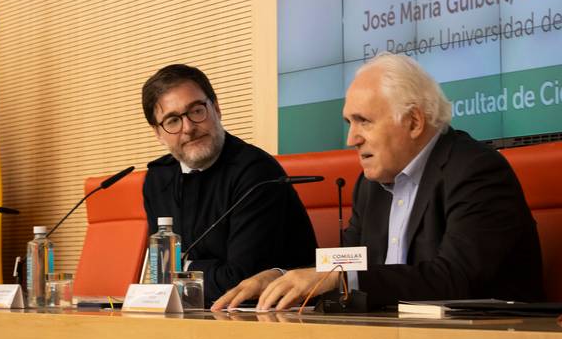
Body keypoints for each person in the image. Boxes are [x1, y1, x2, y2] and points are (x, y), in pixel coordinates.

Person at [213, 53, 544, 311]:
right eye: (349, 122)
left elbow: (457, 279)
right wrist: (283, 276)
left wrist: (340, 278)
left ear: (413, 121)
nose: (351, 138)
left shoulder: (475, 171)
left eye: (363, 122)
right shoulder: (370, 185)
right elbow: (344, 265)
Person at [141, 64, 317, 305]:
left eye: (196, 110)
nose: (189, 128)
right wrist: (201, 270)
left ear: (216, 108)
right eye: (172, 121)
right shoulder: (158, 178)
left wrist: (182, 269)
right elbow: (159, 275)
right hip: (189, 315)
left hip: (264, 318)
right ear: (158, 133)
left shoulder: (256, 172)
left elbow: (241, 281)